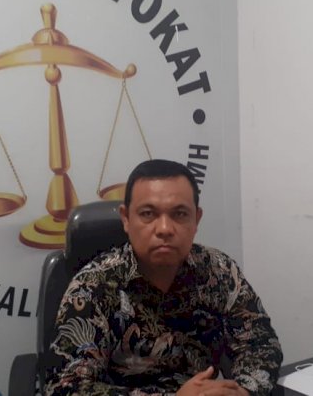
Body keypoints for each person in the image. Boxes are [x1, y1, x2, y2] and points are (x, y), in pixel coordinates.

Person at [46, 159, 283, 395]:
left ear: (196, 219)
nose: (164, 229)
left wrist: (241, 391)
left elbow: (260, 344)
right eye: (148, 214)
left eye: (180, 214)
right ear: (126, 219)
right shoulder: (92, 287)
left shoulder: (219, 271)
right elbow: (66, 387)